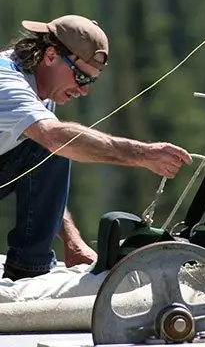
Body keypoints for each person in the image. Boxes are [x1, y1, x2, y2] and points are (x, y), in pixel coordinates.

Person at [0, 14, 192, 281]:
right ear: (51, 55)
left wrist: (73, 241)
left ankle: (28, 268)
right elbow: (56, 138)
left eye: (89, 81)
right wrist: (143, 154)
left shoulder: (41, 85)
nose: (82, 90)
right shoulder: (8, 83)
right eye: (80, 76)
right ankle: (29, 269)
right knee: (58, 140)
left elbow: (44, 168)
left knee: (51, 146)